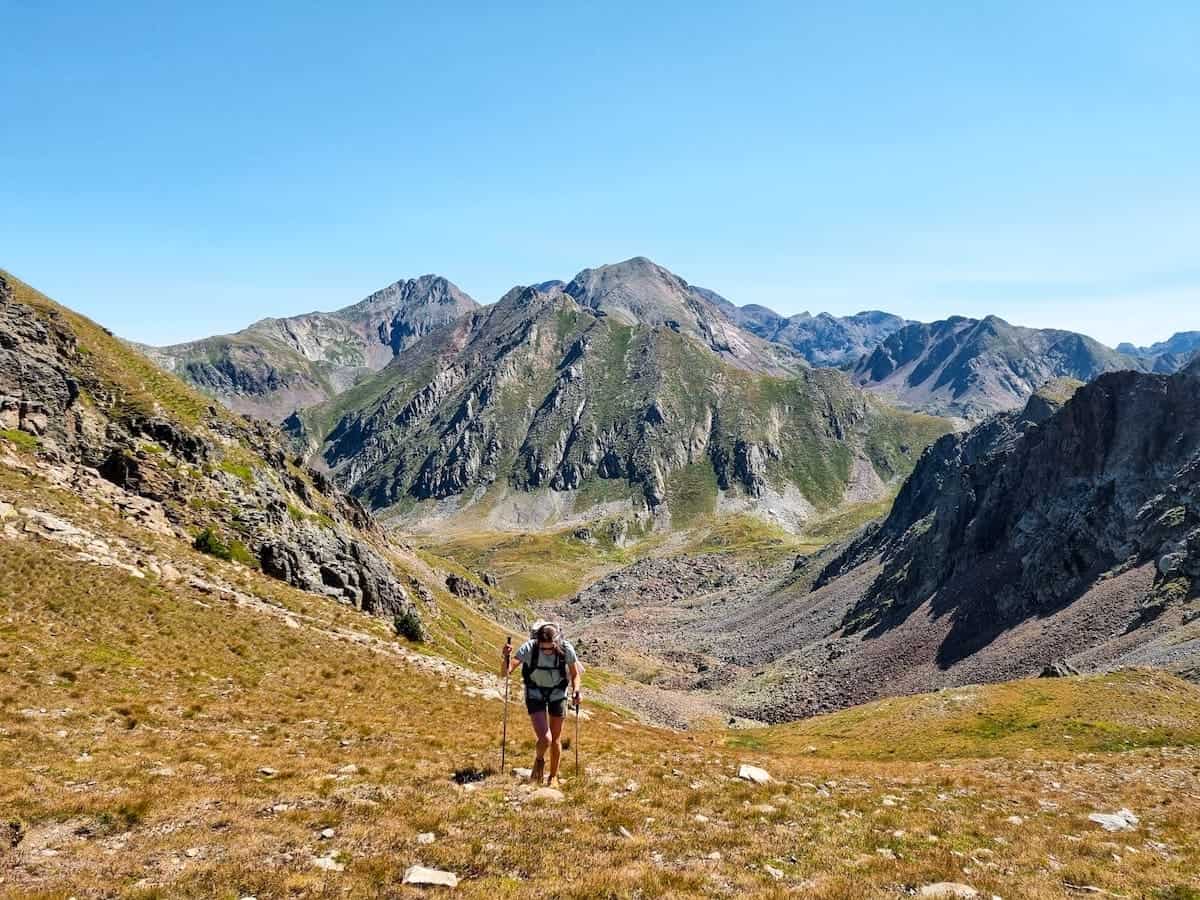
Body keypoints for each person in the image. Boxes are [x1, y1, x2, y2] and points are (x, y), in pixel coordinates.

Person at [502, 621, 582, 787]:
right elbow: (506, 672)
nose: (546, 651)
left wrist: (576, 690)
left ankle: (553, 777)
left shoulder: (566, 649)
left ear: (557, 643)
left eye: (550, 648)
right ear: (537, 641)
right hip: (535, 692)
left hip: (558, 693)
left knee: (556, 739)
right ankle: (539, 761)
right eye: (543, 648)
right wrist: (505, 657)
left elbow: (575, 675)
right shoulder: (529, 647)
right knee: (545, 739)